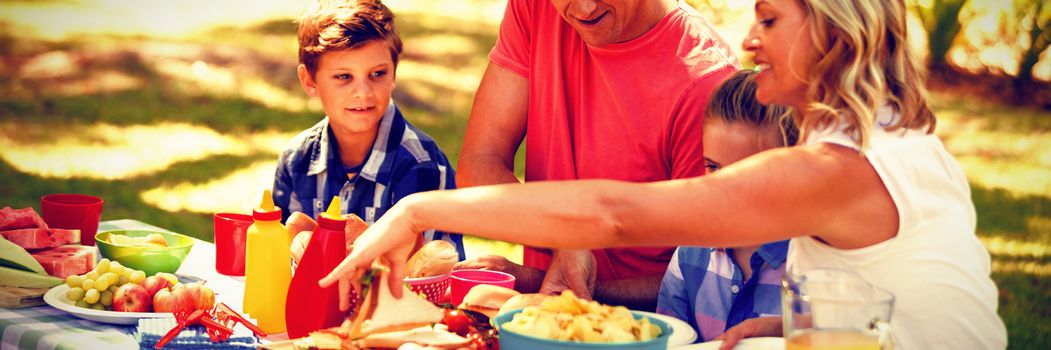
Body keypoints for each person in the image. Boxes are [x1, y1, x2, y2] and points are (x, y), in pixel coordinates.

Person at [321, 0, 1008, 348]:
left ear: (831, 26)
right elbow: (895, 297)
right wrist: (786, 329)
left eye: (768, 19)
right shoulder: (868, 136)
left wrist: (416, 211)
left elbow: (617, 215)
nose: (748, 41)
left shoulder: (839, 167)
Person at [453, 0, 738, 310]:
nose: (585, 9)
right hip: (546, 325)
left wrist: (557, 286)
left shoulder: (706, 82)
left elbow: (707, 281)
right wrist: (564, 237)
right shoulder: (535, 7)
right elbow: (479, 162)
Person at [273, 0, 464, 260]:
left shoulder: (423, 165)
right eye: (344, 76)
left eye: (377, 74)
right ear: (309, 80)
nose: (363, 92)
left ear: (393, 74)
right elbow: (281, 256)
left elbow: (430, 274)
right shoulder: (296, 160)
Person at [656, 70, 794, 342]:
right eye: (713, 167)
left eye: (745, 172)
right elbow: (669, 340)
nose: (723, 187)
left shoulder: (810, 264)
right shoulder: (689, 255)